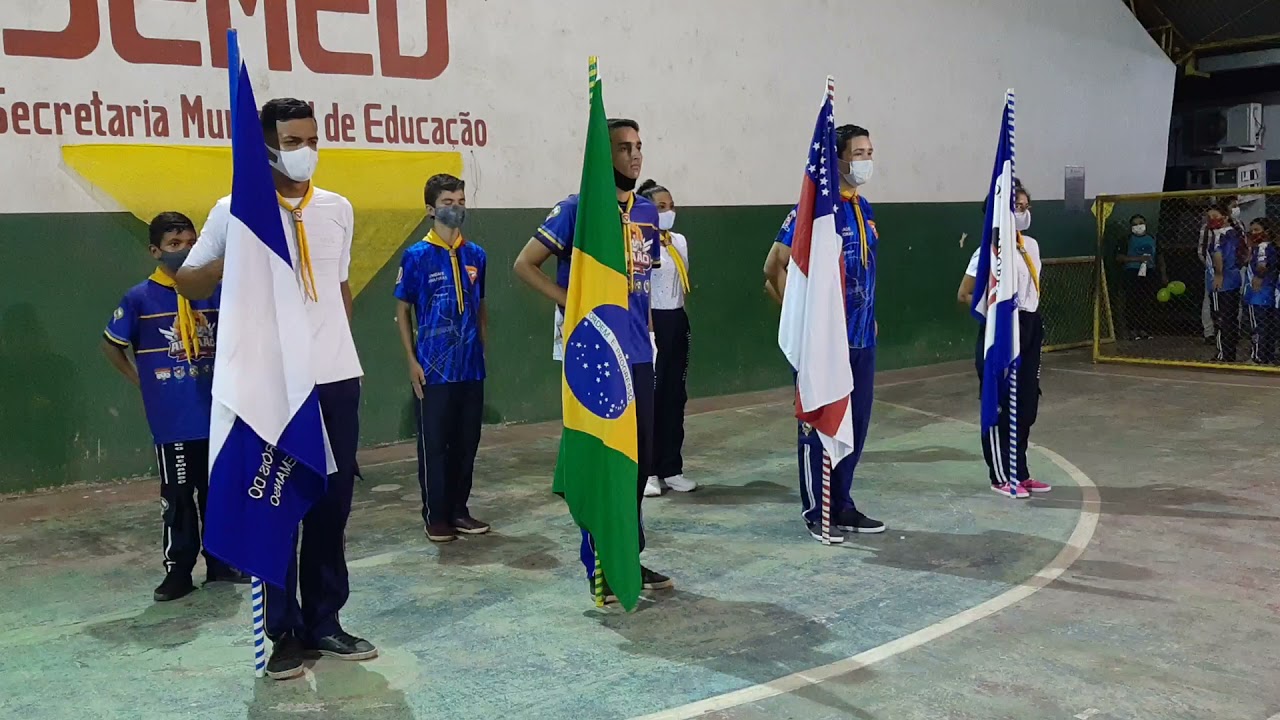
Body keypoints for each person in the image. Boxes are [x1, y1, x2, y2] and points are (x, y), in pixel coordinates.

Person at [175, 98, 374, 680]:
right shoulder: (234, 210)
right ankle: (281, 630)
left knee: (332, 505)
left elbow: (339, 289)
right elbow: (188, 281)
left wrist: (333, 348)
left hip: (336, 380)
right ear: (264, 145)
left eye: (312, 138)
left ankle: (325, 621)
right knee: (280, 504)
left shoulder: (337, 209)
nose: (305, 151)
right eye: (292, 141)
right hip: (274, 388)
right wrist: (227, 259)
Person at [512, 117, 674, 599]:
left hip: (640, 354)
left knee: (639, 462)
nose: (635, 155)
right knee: (604, 460)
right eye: (624, 147)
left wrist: (647, 335)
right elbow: (523, 264)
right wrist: (571, 302)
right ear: (603, 157)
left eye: (639, 146)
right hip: (598, 358)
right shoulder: (577, 210)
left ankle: (629, 556)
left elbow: (643, 285)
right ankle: (598, 564)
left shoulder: (646, 212)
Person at [101, 212, 249, 602]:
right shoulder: (140, 298)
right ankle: (178, 570)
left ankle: (222, 561)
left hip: (218, 413)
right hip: (174, 419)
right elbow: (111, 345)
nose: (182, 251)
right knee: (179, 497)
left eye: (189, 242)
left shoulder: (214, 291)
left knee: (219, 492)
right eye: (173, 245)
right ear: (155, 251)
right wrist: (141, 381)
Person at [763, 123, 886, 542]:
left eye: (870, 152)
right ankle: (818, 510)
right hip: (825, 345)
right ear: (836, 160)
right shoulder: (813, 211)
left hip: (862, 340)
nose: (866, 161)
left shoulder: (864, 208)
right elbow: (772, 269)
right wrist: (803, 323)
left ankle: (844, 504)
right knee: (820, 426)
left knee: (856, 426)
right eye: (858, 153)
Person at [394, 174, 491, 542]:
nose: (456, 208)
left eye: (461, 201)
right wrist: (411, 360)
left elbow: (481, 306)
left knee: (467, 442)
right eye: (448, 202)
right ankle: (436, 516)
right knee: (434, 445)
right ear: (431, 209)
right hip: (433, 369)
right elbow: (403, 310)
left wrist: (482, 347)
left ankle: (459, 510)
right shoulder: (417, 256)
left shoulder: (476, 254)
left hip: (470, 368)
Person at [957, 182, 1049, 498]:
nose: (1025, 212)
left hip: (1030, 324)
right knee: (999, 403)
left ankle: (1020, 472)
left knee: (1026, 402)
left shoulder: (1032, 246)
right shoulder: (986, 252)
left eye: (1027, 206)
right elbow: (965, 294)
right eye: (1018, 207)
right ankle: (1000, 475)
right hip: (1001, 329)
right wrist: (996, 318)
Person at [637, 179, 696, 496]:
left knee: (675, 395)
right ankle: (646, 472)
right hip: (651, 321)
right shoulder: (640, 242)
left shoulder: (679, 241)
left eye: (671, 205)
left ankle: (671, 467)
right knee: (652, 399)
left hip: (676, 319)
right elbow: (640, 286)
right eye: (661, 207)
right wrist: (648, 329)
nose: (668, 211)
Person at [1199, 197, 1246, 345]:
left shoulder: (1237, 226)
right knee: (1212, 301)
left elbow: (1243, 248)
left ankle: (1233, 331)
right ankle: (1211, 333)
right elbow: (1203, 251)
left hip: (1234, 270)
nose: (1235, 209)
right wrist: (1213, 268)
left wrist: (1238, 265)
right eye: (1233, 206)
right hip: (1215, 271)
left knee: (1234, 301)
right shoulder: (1208, 228)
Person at [1116, 214, 1168, 340]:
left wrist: (1163, 274)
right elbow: (1119, 257)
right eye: (1135, 224)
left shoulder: (1152, 238)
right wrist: (1137, 259)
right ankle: (1132, 329)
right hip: (1132, 272)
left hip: (1149, 272)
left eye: (1140, 223)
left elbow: (1160, 257)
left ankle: (1145, 329)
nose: (1138, 226)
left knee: (1147, 301)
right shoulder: (1126, 239)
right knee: (1132, 301)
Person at [1245, 219, 1278, 364]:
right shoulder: (1271, 247)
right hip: (1269, 292)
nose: (1253, 233)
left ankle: (1256, 356)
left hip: (1258, 294)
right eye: (1252, 230)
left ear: (1267, 232)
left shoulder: (1263, 247)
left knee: (1258, 326)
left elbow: (1261, 265)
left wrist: (1258, 276)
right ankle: (1267, 356)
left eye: (1257, 230)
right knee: (1268, 326)